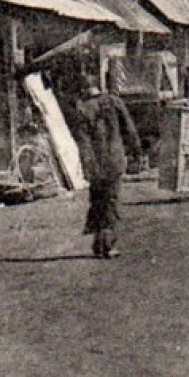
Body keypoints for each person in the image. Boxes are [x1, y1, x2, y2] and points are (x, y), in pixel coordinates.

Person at [70, 63, 140, 259]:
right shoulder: (114, 102)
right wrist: (135, 150)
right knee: (111, 200)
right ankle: (107, 244)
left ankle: (99, 243)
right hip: (114, 158)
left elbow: (83, 141)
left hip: (95, 161)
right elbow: (130, 130)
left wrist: (86, 165)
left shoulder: (83, 109)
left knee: (98, 201)